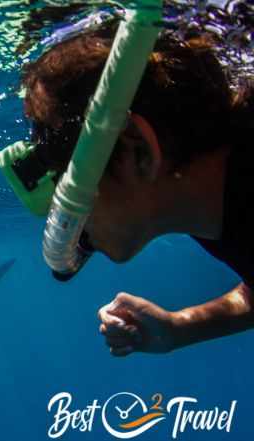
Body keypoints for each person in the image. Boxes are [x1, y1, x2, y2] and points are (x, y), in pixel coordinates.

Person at [20, 24, 253, 356]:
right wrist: (179, 328)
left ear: (137, 150)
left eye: (64, 181)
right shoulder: (207, 198)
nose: (58, 209)